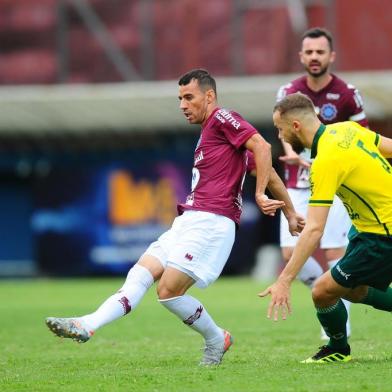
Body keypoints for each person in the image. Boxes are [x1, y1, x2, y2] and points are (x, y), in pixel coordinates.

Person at [46, 69, 304, 366]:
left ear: (209, 96)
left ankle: (216, 339)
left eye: (189, 97)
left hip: (212, 221)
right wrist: (291, 212)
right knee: (140, 273)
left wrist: (260, 197)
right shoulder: (214, 136)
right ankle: (87, 324)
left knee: (168, 291)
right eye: (179, 98)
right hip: (188, 220)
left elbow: (263, 147)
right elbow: (267, 171)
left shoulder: (222, 119)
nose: (182, 104)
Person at [259, 92, 392, 363]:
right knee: (351, 289)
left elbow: (314, 230)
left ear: (296, 126)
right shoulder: (347, 129)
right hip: (367, 229)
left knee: (322, 291)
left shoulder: (326, 162)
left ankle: (337, 349)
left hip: (382, 235)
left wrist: (284, 280)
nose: (281, 136)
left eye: (280, 128)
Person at [276, 27, 369, 339]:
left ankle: (336, 327)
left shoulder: (346, 93)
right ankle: (323, 292)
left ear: (331, 56)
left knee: (335, 255)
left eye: (320, 52)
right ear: (301, 56)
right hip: (296, 184)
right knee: (292, 256)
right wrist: (295, 156)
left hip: (335, 186)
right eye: (309, 52)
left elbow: (362, 138)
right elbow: (283, 131)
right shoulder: (288, 90)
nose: (314, 57)